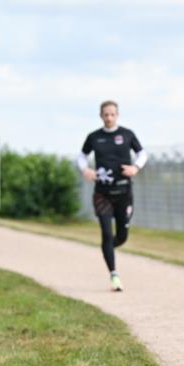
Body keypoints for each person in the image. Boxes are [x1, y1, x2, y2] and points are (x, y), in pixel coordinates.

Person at [77, 101, 147, 291]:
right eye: (105, 115)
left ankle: (107, 249)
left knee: (121, 237)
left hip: (124, 193)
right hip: (103, 194)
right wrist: (85, 170)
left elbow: (142, 153)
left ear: (117, 115)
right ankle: (114, 275)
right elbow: (81, 156)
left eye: (112, 114)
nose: (109, 118)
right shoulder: (94, 137)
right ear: (101, 116)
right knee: (107, 234)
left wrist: (135, 167)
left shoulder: (127, 134)